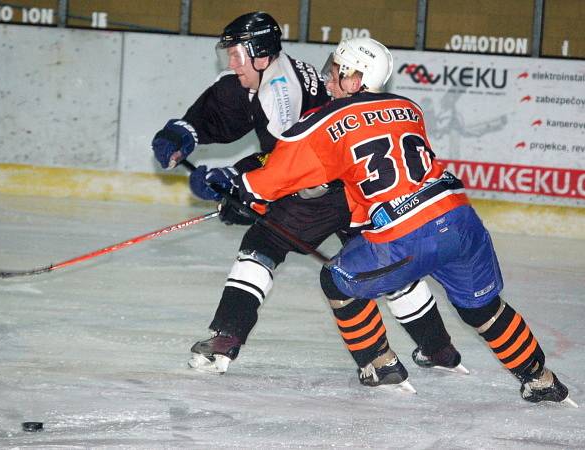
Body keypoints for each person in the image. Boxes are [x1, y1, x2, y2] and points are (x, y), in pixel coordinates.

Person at [228, 36, 575, 403]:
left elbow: (274, 176)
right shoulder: (408, 107)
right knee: (483, 307)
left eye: (336, 71)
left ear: (355, 78)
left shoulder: (326, 119)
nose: (328, 80)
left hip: (408, 234)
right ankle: (540, 377)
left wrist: (239, 188)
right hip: (460, 219)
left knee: (337, 278)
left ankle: (378, 363)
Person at [151, 12, 463, 381]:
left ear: (261, 54)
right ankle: (438, 348)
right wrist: (184, 132)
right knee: (384, 262)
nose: (231, 63)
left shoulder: (281, 92)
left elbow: (289, 162)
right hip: (363, 188)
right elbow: (225, 105)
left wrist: (238, 183)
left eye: (236, 55)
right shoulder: (263, 73)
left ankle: (226, 339)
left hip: (326, 188)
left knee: (263, 242)